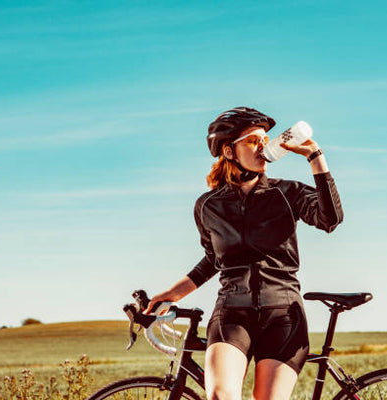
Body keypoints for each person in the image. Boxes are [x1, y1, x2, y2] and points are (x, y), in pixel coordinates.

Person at [146, 107, 343, 400]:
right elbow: (214, 259)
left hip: (284, 314)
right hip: (232, 314)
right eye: (253, 141)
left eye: (265, 139)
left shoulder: (286, 193)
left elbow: (330, 219)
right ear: (228, 151)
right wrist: (172, 293)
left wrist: (315, 157)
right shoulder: (208, 206)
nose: (263, 146)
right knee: (220, 395)